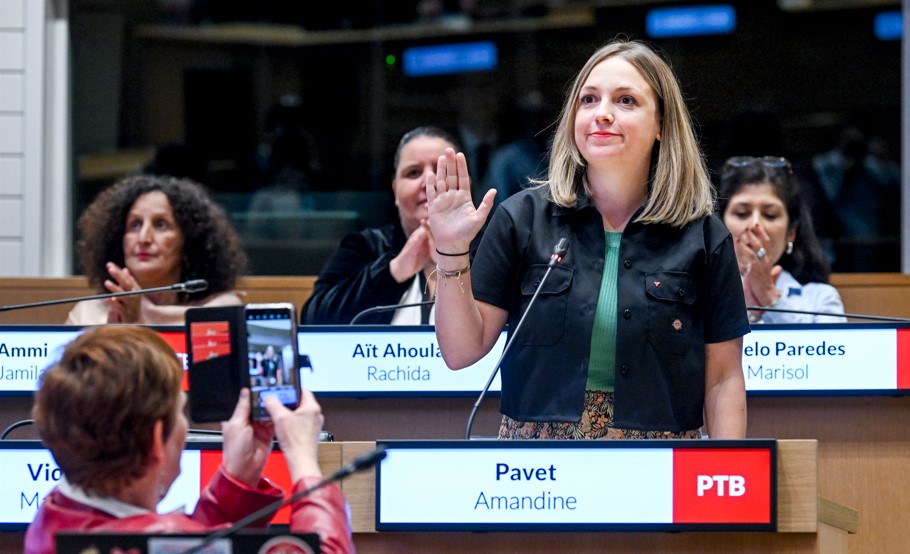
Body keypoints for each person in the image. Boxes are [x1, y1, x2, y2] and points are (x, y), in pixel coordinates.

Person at [425, 40, 749, 440]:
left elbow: (723, 379)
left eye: (626, 101)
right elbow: (460, 352)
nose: (603, 114)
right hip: (540, 468)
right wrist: (452, 249)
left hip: (661, 467)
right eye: (589, 100)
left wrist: (729, 480)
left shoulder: (703, 237)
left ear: (662, 125)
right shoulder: (522, 219)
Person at [25, 326, 355, 554]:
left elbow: (179, 542)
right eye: (180, 412)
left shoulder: (52, 516)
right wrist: (303, 463)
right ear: (158, 438)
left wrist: (237, 481)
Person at [302, 126, 464, 325]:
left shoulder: (491, 249)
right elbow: (313, 321)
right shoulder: (365, 247)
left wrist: (456, 258)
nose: (428, 182)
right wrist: (392, 272)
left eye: (442, 171)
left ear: (465, 184)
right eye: (413, 173)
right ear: (395, 190)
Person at [67, 175, 247, 325]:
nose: (144, 238)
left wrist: (136, 322)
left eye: (161, 225)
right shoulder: (88, 315)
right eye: (135, 225)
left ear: (188, 242)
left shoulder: (220, 311)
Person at [718, 156, 845, 324]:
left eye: (770, 215)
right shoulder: (698, 292)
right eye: (742, 213)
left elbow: (825, 349)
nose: (755, 224)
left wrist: (770, 297)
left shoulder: (821, 298)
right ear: (719, 227)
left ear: (791, 233)